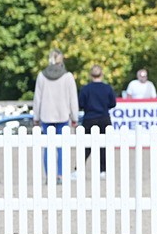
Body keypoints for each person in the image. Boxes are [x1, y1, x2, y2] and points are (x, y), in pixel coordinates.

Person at [33, 49, 79, 182]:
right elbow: (73, 99)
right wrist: (75, 117)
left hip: (46, 115)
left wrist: (36, 117)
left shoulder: (42, 76)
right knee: (62, 147)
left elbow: (37, 98)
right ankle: (60, 175)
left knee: (48, 147)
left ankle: (49, 175)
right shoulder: (68, 76)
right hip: (63, 115)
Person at [78, 64, 116, 176]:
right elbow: (113, 103)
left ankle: (78, 168)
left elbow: (81, 103)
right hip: (104, 118)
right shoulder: (107, 88)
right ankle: (103, 170)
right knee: (104, 145)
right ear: (102, 74)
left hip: (89, 118)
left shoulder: (86, 89)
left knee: (85, 145)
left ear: (90, 75)